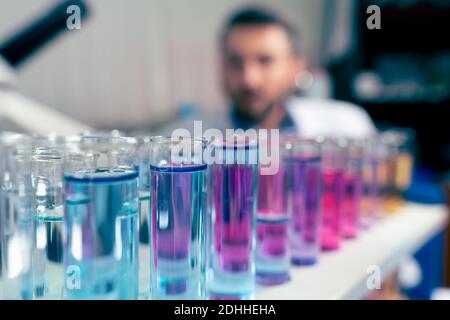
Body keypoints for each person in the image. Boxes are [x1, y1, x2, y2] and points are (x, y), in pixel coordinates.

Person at [220, 6, 376, 138]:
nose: (249, 79)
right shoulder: (199, 141)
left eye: (265, 60)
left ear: (295, 66)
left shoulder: (348, 125)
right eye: (235, 62)